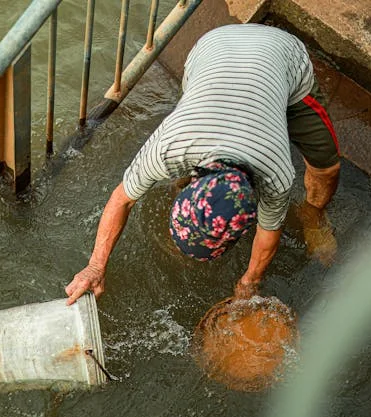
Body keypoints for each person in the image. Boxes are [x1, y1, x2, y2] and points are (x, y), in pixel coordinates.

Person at [65, 23, 340, 305]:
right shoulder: (168, 148)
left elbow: (268, 232)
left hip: (281, 53)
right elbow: (121, 199)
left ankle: (314, 215)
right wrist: (96, 266)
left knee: (326, 168)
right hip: (212, 47)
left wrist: (250, 282)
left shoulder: (276, 174)